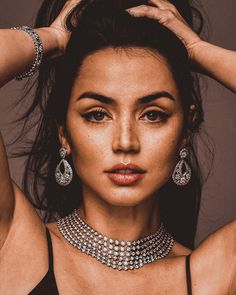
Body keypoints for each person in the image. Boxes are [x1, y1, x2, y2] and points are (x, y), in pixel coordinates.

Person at [0, 0, 235, 294]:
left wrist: (198, 52)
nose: (125, 142)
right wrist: (53, 38)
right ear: (64, 132)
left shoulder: (213, 275)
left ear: (186, 129)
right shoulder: (13, 244)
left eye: (153, 115)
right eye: (97, 115)